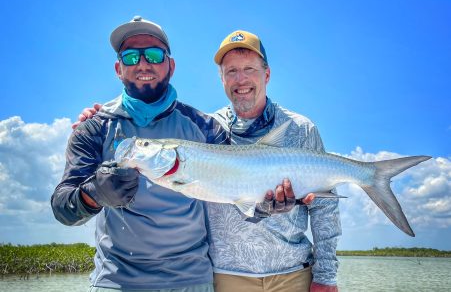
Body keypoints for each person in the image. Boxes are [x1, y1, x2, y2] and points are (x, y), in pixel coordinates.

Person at [52, 17, 300, 292]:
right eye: (131, 56)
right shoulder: (94, 127)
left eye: (155, 55)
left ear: (171, 66)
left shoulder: (205, 127)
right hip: (116, 282)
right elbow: (63, 209)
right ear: (118, 68)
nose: (143, 64)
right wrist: (94, 193)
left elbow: (233, 196)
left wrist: (267, 205)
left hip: (192, 282)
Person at [207, 30, 341, 292]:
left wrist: (326, 275)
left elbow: (325, 208)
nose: (240, 79)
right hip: (225, 277)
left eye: (249, 68)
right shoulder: (207, 129)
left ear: (266, 74)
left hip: (293, 276)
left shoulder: (301, 129)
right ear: (221, 78)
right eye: (231, 71)